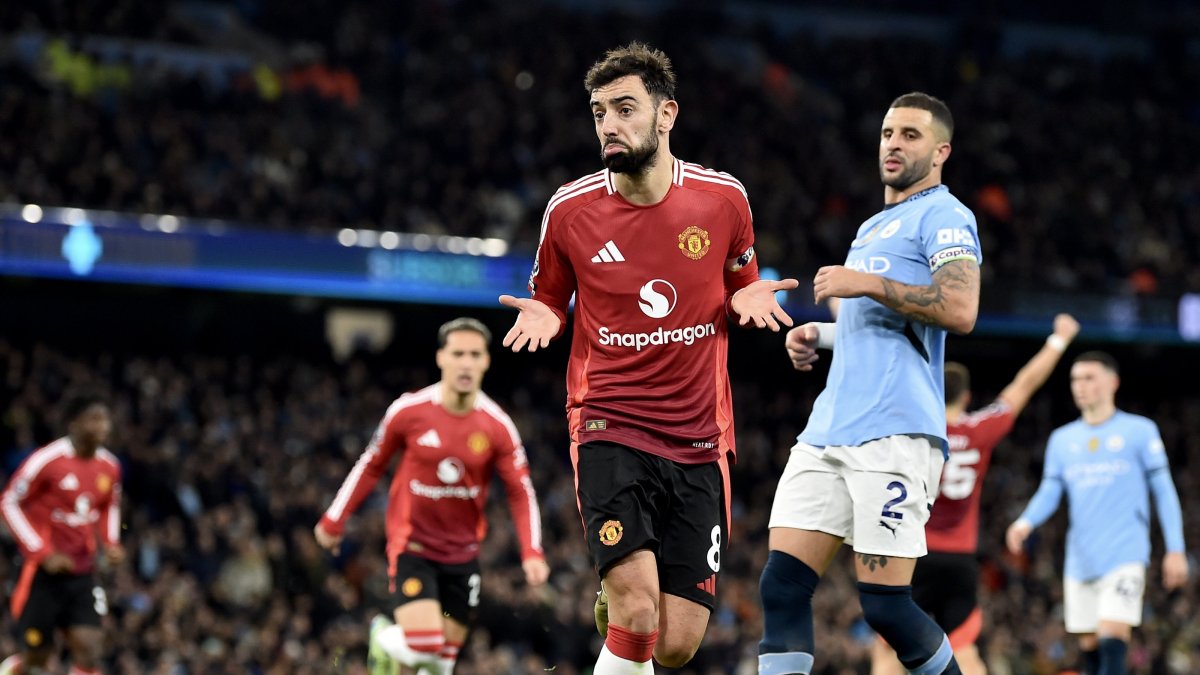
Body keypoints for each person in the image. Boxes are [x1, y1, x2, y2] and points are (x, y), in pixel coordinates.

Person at [499, 42, 797, 673]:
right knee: (637, 614)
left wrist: (749, 295)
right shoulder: (570, 211)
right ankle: (622, 592)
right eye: (599, 111)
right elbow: (550, 297)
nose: (609, 124)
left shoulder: (723, 201)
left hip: (699, 442)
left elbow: (742, 278)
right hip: (610, 425)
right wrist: (546, 313)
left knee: (679, 643)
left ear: (667, 116)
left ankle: (620, 600)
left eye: (625, 108)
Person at [759, 91, 980, 675]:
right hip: (828, 430)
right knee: (781, 586)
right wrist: (819, 336)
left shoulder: (946, 216)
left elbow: (960, 308)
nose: (893, 144)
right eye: (887, 133)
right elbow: (873, 332)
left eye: (909, 135)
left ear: (940, 152)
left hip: (895, 433)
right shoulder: (873, 225)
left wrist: (868, 284)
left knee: (885, 606)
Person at [314, 317, 549, 675]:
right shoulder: (409, 411)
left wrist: (532, 551)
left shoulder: (497, 425)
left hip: (464, 552)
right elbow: (370, 465)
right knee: (425, 646)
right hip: (414, 547)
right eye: (458, 353)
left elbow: (520, 491)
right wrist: (334, 519)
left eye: (475, 354)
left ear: (486, 361)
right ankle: (383, 635)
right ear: (441, 357)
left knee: (442, 663)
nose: (466, 362)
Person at [871, 314, 1081, 675]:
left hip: (913, 556)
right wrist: (1058, 340)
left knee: (889, 650)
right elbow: (1023, 385)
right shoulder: (982, 429)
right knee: (964, 651)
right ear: (967, 396)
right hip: (961, 561)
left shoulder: (914, 427)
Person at [1005, 351, 1187, 675]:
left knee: (1112, 639)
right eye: (1075, 379)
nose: (1080, 386)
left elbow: (1164, 489)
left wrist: (1175, 548)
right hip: (1081, 559)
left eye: (1089, 378)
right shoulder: (1062, 440)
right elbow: (1050, 490)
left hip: (1125, 553)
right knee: (1090, 651)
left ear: (1112, 382)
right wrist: (1025, 522)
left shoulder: (1139, 431)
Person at [0, 393, 124, 675]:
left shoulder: (110, 466)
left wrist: (111, 542)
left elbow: (109, 506)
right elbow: (8, 501)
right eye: (94, 418)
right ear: (74, 423)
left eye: (105, 419)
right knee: (37, 656)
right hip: (42, 574)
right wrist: (42, 553)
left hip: (82, 571)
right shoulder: (46, 460)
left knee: (89, 648)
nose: (103, 426)